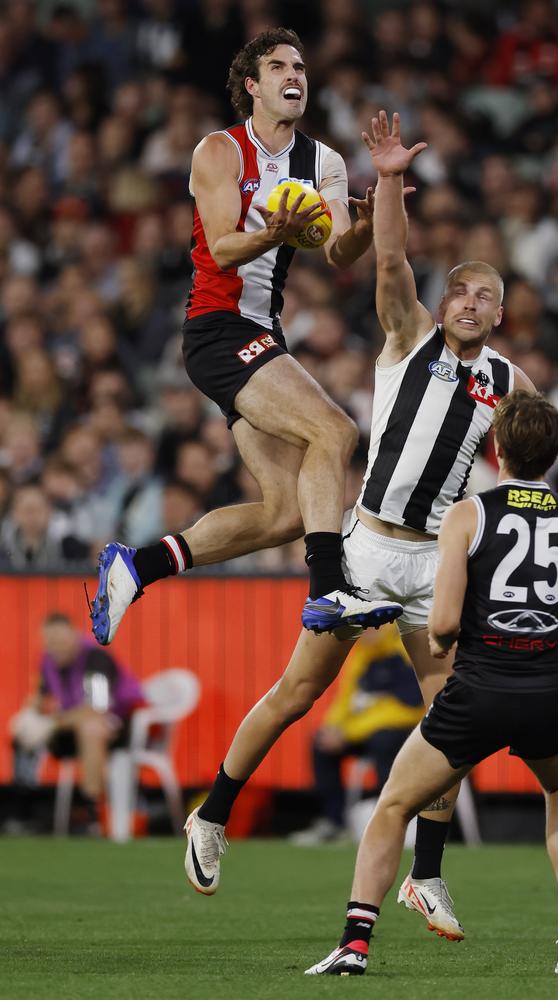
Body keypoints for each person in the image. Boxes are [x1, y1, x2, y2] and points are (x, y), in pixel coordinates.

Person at [182, 112, 558, 938]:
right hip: (367, 547)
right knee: (298, 691)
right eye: (462, 293)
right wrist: (390, 179)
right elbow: (388, 257)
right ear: (445, 304)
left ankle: (426, 877)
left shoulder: (508, 380)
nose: (471, 304)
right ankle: (212, 815)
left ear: (501, 317)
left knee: (452, 720)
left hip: (437, 558)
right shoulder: (407, 336)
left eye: (487, 298)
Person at [305, 391, 558, 977]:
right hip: (550, 692)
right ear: (556, 454)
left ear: (496, 446)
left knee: (394, 805)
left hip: (480, 690)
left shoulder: (469, 512)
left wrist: (436, 643)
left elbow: (442, 623)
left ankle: (355, 945)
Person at [88, 27, 401, 644]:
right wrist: (277, 231)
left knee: (286, 511)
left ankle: (139, 565)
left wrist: (370, 218)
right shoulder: (219, 151)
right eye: (280, 66)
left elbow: (341, 253)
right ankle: (328, 590)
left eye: (302, 67)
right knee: (334, 430)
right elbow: (225, 247)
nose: (296, 75)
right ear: (252, 86)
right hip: (216, 326)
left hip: (260, 331)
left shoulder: (326, 163)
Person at [10, 612, 145, 831]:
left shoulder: (96, 658)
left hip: (120, 726)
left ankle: (92, 810)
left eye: (61, 641)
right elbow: (41, 695)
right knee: (22, 730)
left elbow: (96, 709)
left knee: (90, 728)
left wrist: (52, 723)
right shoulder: (48, 660)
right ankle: (23, 811)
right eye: (51, 642)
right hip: (72, 724)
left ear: (74, 636)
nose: (57, 648)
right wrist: (29, 714)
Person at [291, 624, 423, 845]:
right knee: (320, 744)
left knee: (384, 740)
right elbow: (346, 700)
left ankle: (391, 821)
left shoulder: (405, 651)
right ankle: (334, 823)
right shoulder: (361, 654)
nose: (366, 631)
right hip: (365, 732)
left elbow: (408, 708)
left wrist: (349, 733)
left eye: (373, 626)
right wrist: (333, 728)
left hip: (406, 732)